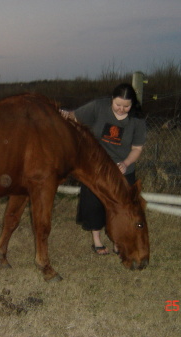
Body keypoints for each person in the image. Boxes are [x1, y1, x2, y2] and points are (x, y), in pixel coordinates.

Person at [61, 83, 146, 255]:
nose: (121, 109)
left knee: (121, 208)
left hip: (122, 170)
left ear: (132, 104)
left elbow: (137, 149)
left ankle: (117, 240)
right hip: (96, 168)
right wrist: (62, 113)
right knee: (94, 204)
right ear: (111, 101)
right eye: (117, 105)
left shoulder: (138, 119)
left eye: (126, 106)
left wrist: (125, 163)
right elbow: (74, 116)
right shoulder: (98, 107)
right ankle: (97, 240)